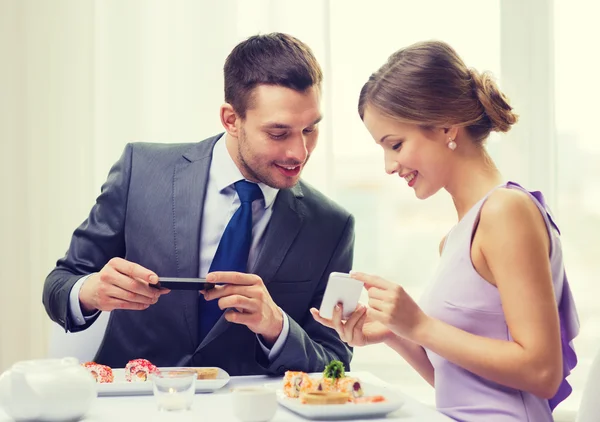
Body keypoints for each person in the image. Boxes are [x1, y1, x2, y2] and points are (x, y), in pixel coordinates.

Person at [43, 33, 355, 376]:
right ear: (231, 120)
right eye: (279, 133)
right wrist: (91, 291)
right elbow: (59, 284)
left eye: (310, 129)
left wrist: (276, 325)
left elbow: (334, 359)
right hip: (132, 401)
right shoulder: (141, 169)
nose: (300, 152)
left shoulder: (331, 225)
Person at [312, 40, 579, 421]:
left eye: (396, 144)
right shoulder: (456, 237)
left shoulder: (506, 212)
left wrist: (419, 324)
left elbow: (541, 372)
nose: (389, 165)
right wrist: (395, 332)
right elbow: (463, 386)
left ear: (446, 126)